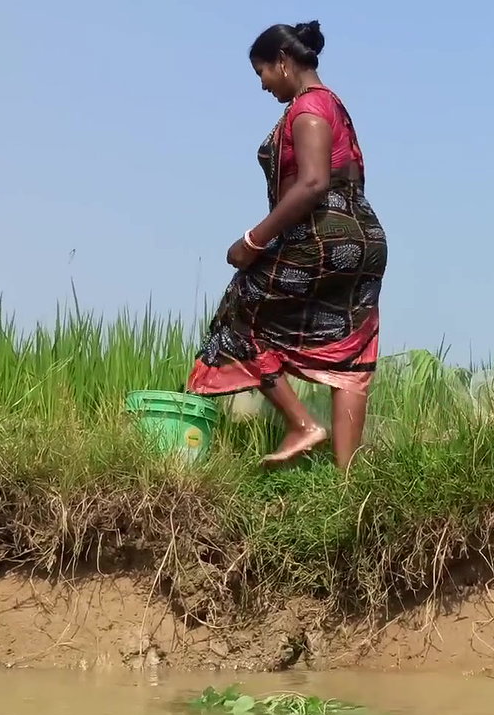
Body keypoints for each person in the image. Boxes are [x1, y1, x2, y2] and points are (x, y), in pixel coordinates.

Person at [187, 20, 387, 471]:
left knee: (240, 312)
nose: (262, 86)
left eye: (262, 73)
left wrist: (252, 241)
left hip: (323, 234)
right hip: (364, 239)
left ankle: (302, 425)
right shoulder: (335, 104)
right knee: (352, 347)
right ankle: (348, 486)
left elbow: (314, 181)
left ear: (282, 61)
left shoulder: (308, 108)